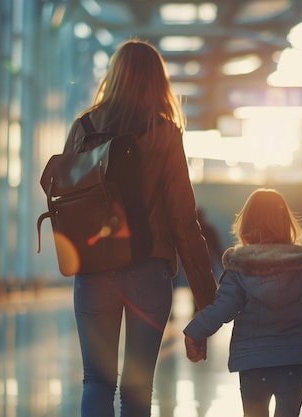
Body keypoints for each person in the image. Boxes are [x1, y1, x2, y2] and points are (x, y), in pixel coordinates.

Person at [64, 39, 217, 417]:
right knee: (136, 391)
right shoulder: (164, 133)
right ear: (157, 82)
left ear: (113, 77)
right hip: (148, 271)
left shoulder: (84, 128)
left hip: (93, 268)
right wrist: (207, 306)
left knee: (96, 382)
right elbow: (184, 222)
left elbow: (65, 198)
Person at [183, 188, 302, 417]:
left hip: (253, 362)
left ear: (245, 225)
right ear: (287, 224)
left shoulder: (239, 269)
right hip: (294, 361)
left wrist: (195, 331)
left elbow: (223, 308)